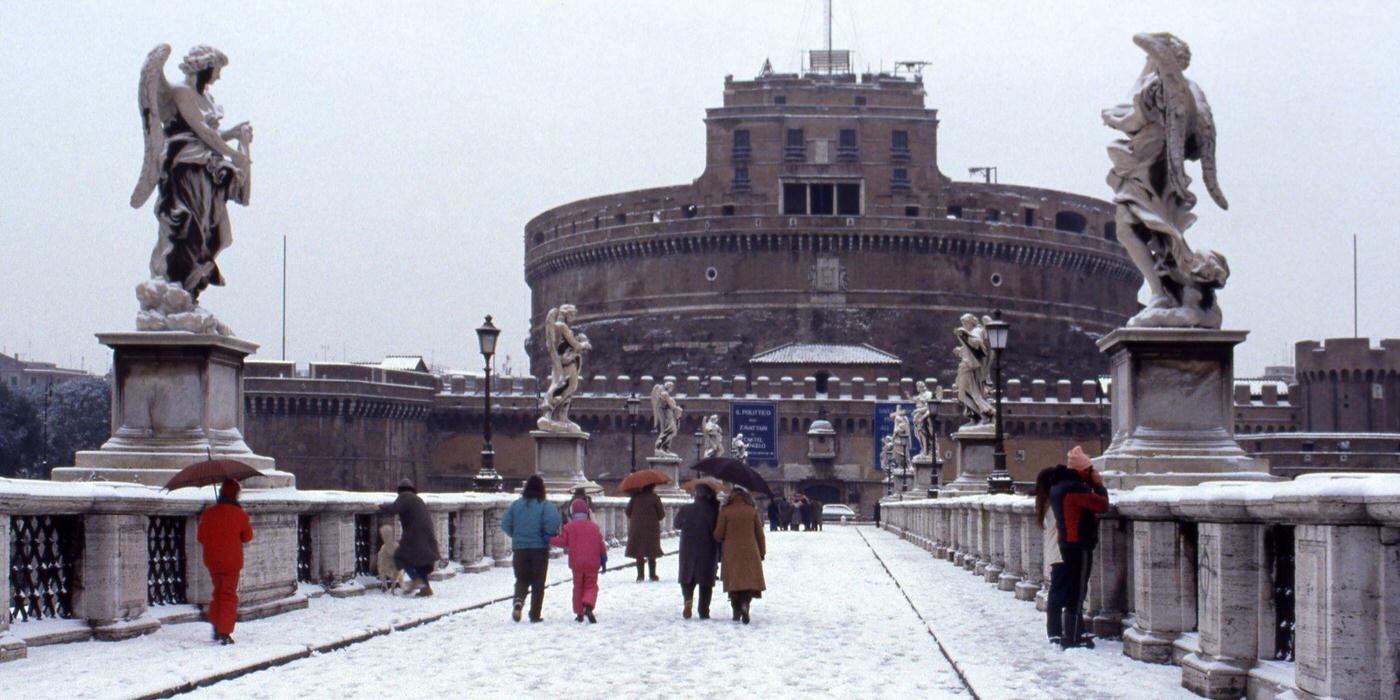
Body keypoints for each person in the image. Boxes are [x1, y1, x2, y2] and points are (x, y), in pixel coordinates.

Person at [1050, 446, 1110, 649]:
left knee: (1072, 589)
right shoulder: (1076, 489)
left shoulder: (1059, 486)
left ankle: (1072, 633)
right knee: (1078, 590)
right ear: (1083, 470)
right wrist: (1099, 484)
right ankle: (1073, 637)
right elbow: (1102, 504)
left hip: (1067, 542)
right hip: (1079, 543)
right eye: (1090, 468)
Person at [197, 478, 253, 645]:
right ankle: (224, 631)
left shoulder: (209, 513)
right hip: (231, 561)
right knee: (228, 595)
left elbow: (201, 537)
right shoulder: (239, 514)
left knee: (218, 591)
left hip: (213, 560)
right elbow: (247, 537)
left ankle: (215, 622)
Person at [502, 475, 562, 622]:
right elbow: (554, 521)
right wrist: (546, 534)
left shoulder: (516, 505)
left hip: (520, 549)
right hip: (539, 548)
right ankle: (535, 614)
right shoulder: (545, 505)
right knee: (538, 582)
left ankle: (518, 600)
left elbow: (505, 523)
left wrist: (516, 535)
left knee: (521, 578)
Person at [713, 485, 766, 624]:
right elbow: (760, 534)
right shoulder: (751, 510)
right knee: (748, 581)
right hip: (750, 549)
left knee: (734, 582)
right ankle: (745, 604)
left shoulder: (725, 510)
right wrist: (762, 552)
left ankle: (736, 612)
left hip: (731, 551)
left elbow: (718, 534)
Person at [379, 479, 441, 597]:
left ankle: (417, 580)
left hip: (414, 535)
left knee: (402, 557)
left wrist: (380, 506)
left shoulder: (405, 497)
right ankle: (426, 589)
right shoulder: (417, 499)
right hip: (427, 535)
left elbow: (394, 509)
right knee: (421, 562)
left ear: (400, 490)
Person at [550, 499, 607, 623]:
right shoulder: (594, 527)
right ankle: (588, 604)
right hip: (593, 562)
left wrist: (549, 539)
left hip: (577, 563)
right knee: (591, 585)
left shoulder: (569, 527)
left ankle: (579, 613)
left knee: (578, 587)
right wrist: (604, 559)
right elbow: (601, 544)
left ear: (572, 513)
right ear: (587, 512)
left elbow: (562, 542)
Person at [1035, 464, 1071, 643]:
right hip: (1059, 550)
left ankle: (1055, 630)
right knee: (1057, 592)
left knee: (1057, 591)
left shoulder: (1044, 501)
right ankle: (1055, 631)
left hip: (1055, 551)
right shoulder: (1053, 503)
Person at [675, 483, 721, 619]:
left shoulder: (686, 509)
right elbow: (719, 532)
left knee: (687, 578)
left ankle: (688, 600)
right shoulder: (714, 511)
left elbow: (676, 524)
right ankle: (703, 610)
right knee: (706, 581)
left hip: (687, 548)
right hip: (708, 549)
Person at [626, 483, 665, 582]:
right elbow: (661, 514)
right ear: (652, 487)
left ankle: (640, 576)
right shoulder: (655, 498)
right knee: (651, 551)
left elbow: (627, 511)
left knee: (639, 551)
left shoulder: (635, 497)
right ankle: (652, 575)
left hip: (637, 527)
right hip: (651, 528)